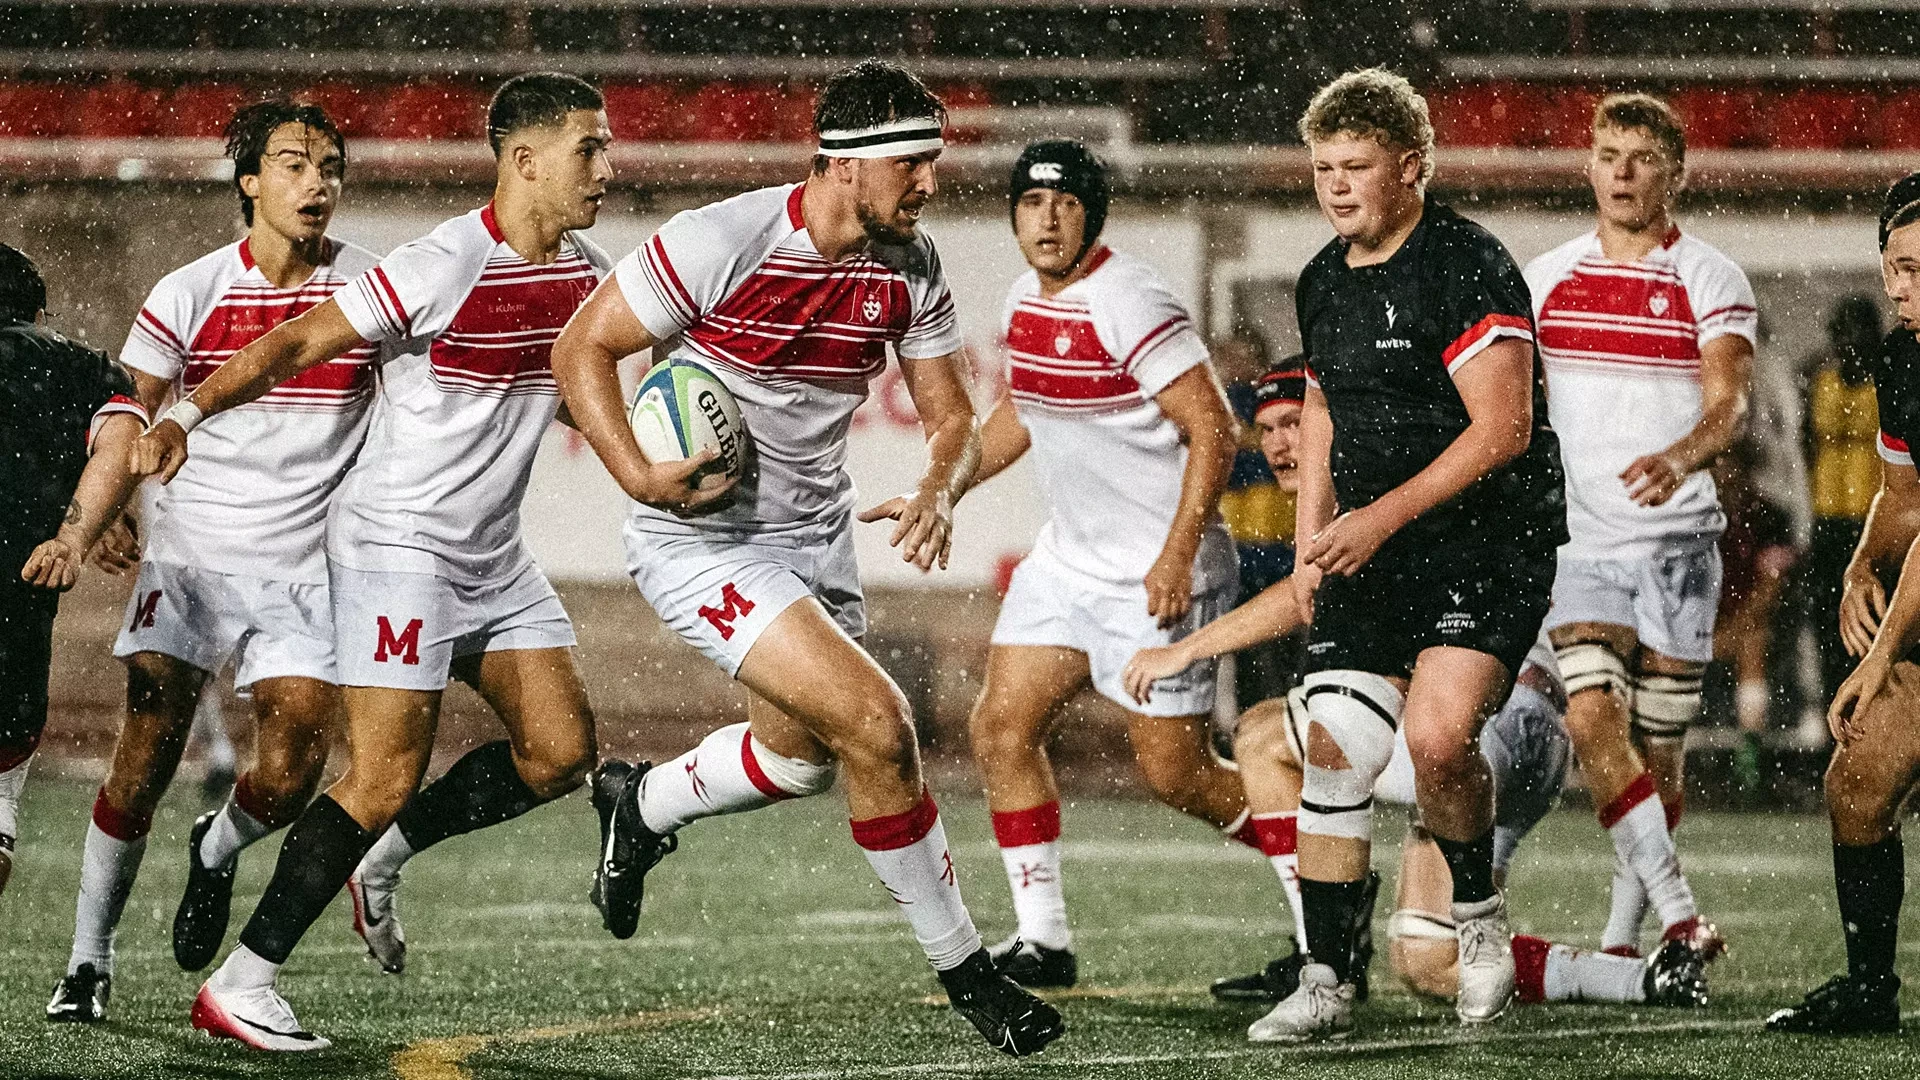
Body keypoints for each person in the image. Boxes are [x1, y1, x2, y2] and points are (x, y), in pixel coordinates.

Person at [547, 60, 1063, 1057]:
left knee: (797, 762)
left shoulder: (910, 265)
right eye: (912, 164)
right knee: (880, 725)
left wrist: (940, 486)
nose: (930, 183)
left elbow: (952, 417)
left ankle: (639, 804)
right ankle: (971, 978)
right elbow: (583, 348)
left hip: (812, 539)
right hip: (700, 540)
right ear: (846, 164)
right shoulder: (722, 240)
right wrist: (638, 476)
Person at [130, 72, 616, 1051]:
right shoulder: (444, 262)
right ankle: (242, 983)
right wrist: (185, 412)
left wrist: (655, 447)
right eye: (590, 149)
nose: (607, 169)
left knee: (561, 754)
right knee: (383, 772)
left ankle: (385, 850)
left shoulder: (587, 273)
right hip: (397, 548)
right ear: (526, 161)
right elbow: (295, 342)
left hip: (491, 556)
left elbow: (566, 394)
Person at [30, 100, 374, 1024]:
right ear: (250, 181)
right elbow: (127, 412)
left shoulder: (369, 291)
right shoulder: (189, 290)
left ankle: (216, 846)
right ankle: (88, 962)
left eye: (331, 167)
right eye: (295, 164)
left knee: (292, 775)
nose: (317, 183)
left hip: (307, 568)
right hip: (189, 561)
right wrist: (100, 510)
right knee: (142, 758)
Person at [1243, 67, 1569, 1042]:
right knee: (1334, 744)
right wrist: (1310, 543)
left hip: (1488, 545)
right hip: (1372, 548)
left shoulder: (1466, 263)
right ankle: (1328, 980)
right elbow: (1324, 406)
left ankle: (1478, 921)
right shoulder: (1322, 279)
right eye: (1323, 169)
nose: (1337, 185)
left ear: (1412, 167)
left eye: (1358, 165)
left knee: (1436, 740)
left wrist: (1376, 519)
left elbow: (1503, 429)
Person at [960, 139, 1286, 990]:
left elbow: (1214, 428)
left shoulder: (1130, 298)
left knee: (1179, 778)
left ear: (1092, 215)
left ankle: (1328, 896)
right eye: (1032, 203)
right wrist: (941, 487)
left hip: (1156, 573)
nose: (1047, 220)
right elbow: (1021, 409)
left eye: (1066, 203)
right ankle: (1044, 940)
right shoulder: (1021, 299)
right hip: (1067, 568)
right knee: (1001, 728)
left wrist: (1176, 557)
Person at [1524, 92, 1751, 965]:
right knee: (1592, 719)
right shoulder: (1545, 279)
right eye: (1609, 155)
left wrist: (1682, 455)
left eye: (1643, 158)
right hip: (1582, 545)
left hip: (1680, 546)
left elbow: (1730, 406)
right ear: (1588, 167)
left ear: (1676, 174)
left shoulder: (1709, 277)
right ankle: (1682, 915)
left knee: (1658, 753)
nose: (1622, 173)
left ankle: (1625, 940)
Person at [1767, 173, 1920, 1036]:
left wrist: (1880, 655)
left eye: (1917, 270)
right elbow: (1904, 498)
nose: (1900, 288)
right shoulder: (1905, 358)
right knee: (1858, 783)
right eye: (1894, 267)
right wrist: (1862, 566)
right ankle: (1869, 991)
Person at [2, 243, 149, 899]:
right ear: (38, 312)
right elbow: (119, 444)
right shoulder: (81, 366)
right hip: (16, 614)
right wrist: (76, 534)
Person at [1802, 294, 1885, 712]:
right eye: (1844, 332)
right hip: (1829, 521)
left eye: (1859, 332)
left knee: (1874, 625)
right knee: (1828, 626)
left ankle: (1875, 714)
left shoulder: (1890, 380)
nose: (1851, 342)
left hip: (1874, 522)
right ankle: (1832, 714)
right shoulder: (1818, 381)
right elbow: (1806, 446)